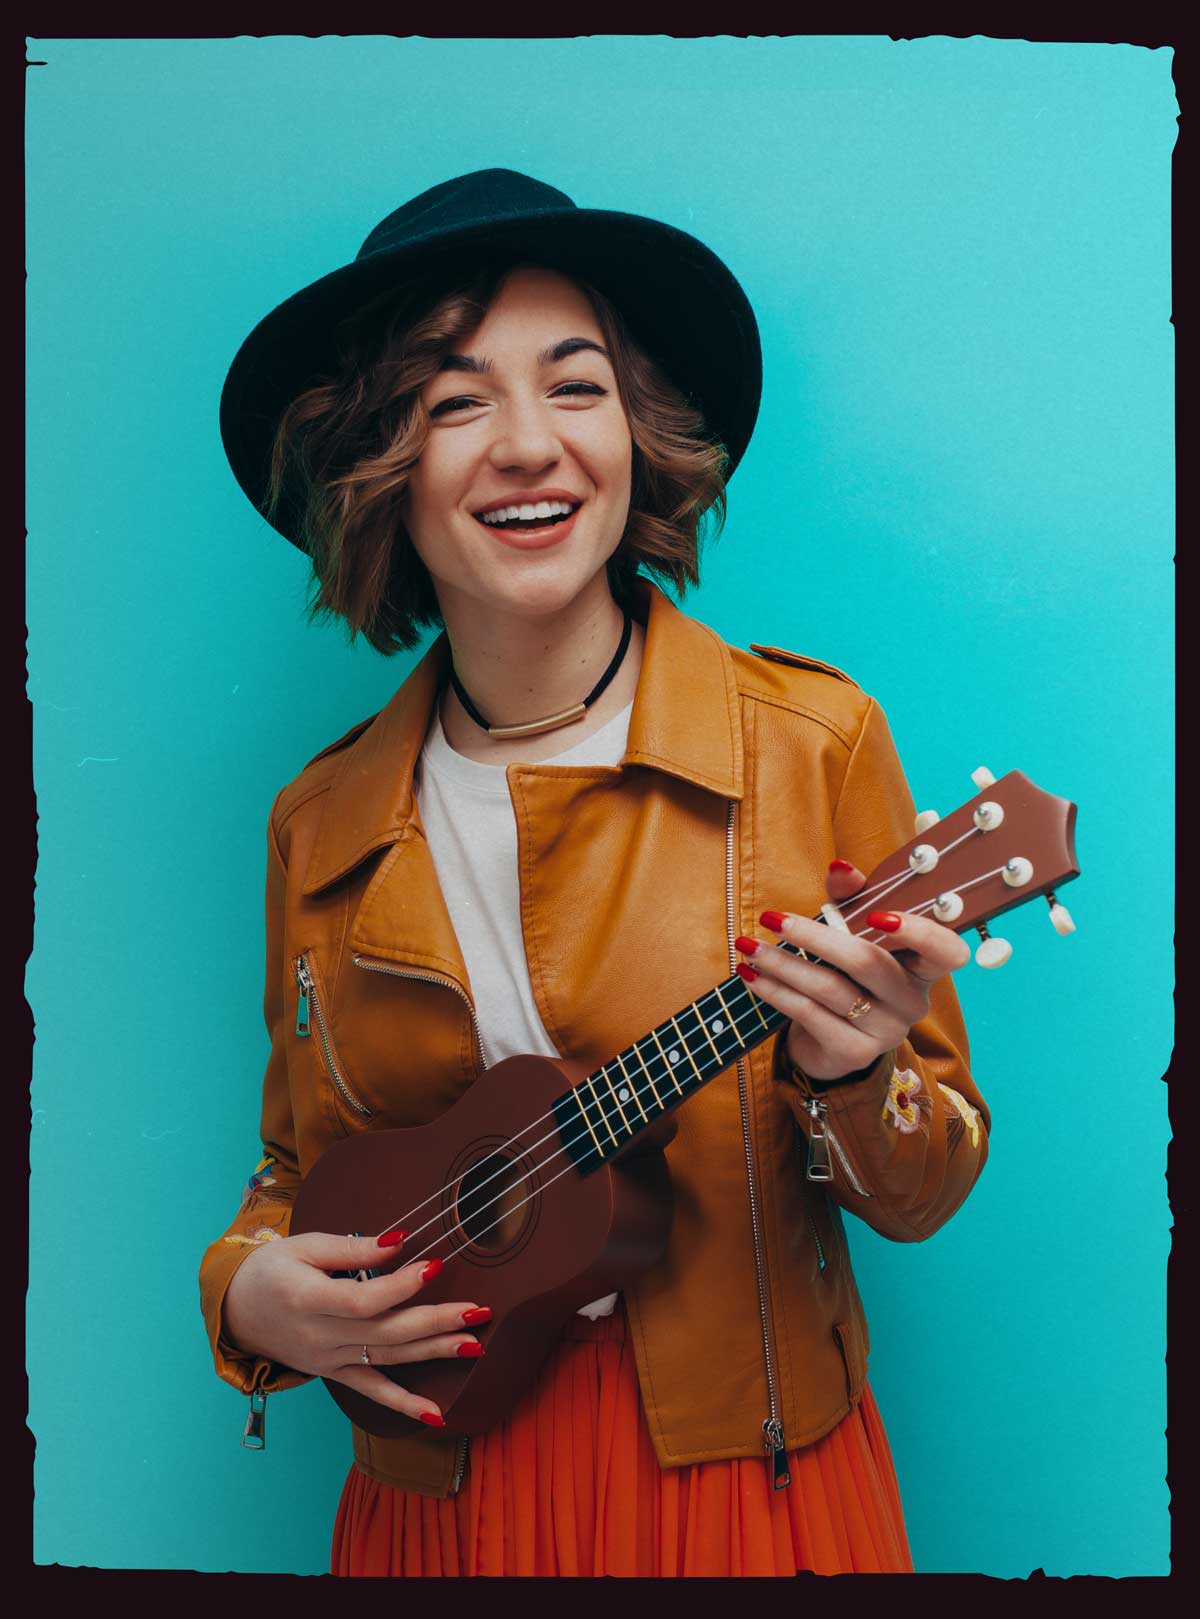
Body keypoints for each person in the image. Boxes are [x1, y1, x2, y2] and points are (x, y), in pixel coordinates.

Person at [201, 169, 989, 1578]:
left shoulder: (812, 744)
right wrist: (249, 1300)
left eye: (576, 387)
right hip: (432, 1498)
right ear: (382, 468)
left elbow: (924, 1186)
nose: (526, 448)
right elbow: (293, 1173)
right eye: (453, 403)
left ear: (638, 436)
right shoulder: (316, 822)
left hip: (741, 1488)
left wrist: (860, 1076)